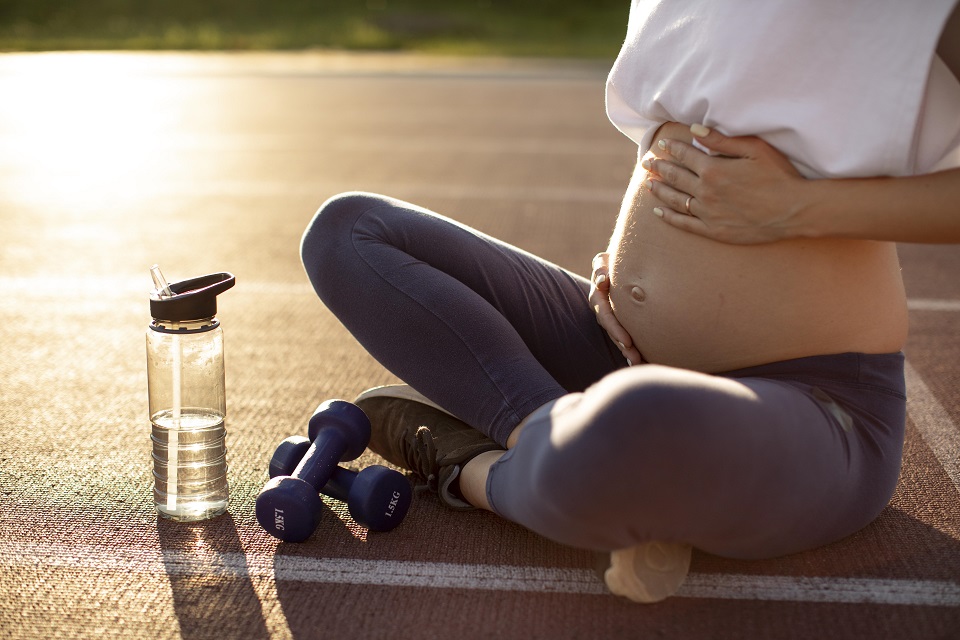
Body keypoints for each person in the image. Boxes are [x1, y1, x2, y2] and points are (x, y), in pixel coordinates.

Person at [299, 1, 960, 603]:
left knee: (636, 415)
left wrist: (796, 208)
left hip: (811, 404)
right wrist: (630, 262)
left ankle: (475, 466)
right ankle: (558, 446)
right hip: (617, 344)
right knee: (347, 233)